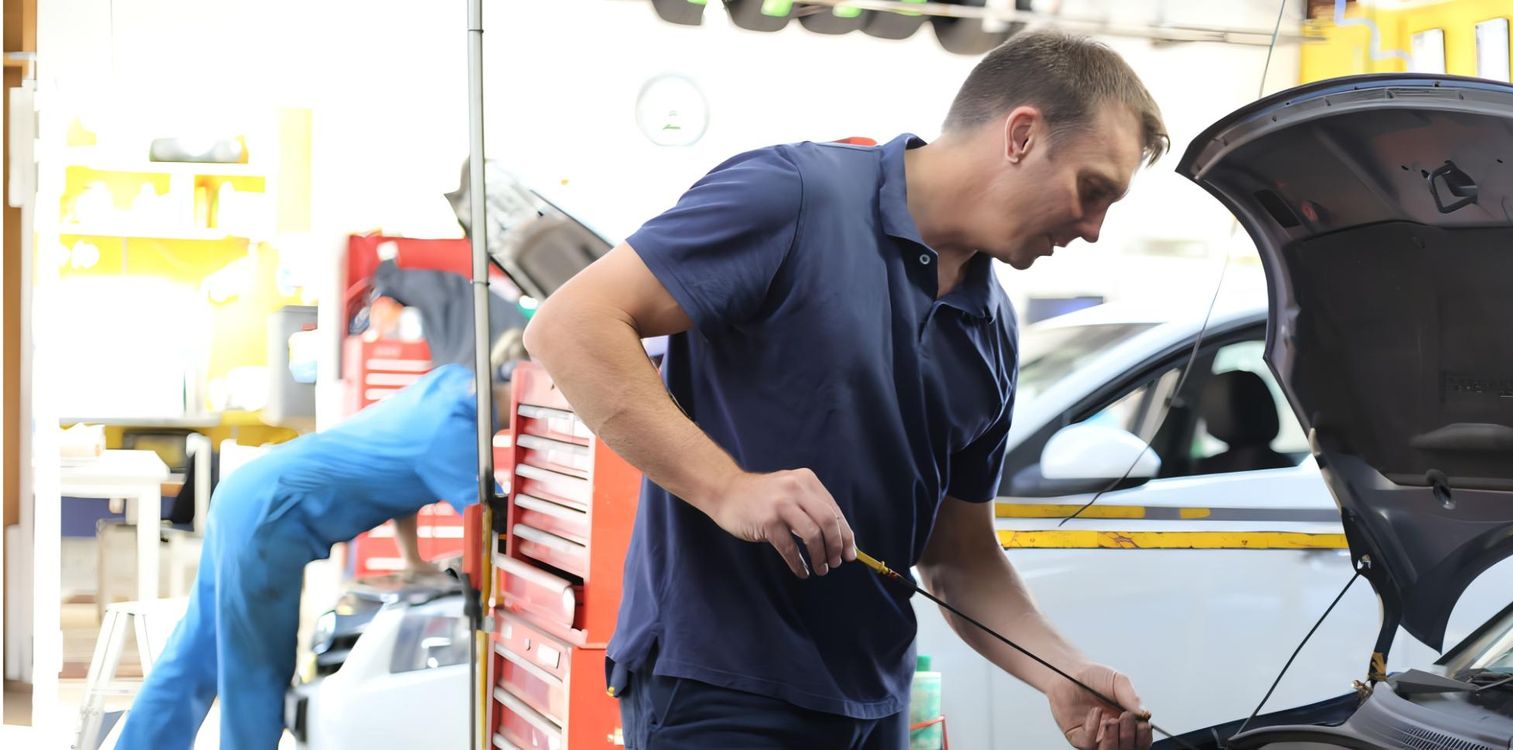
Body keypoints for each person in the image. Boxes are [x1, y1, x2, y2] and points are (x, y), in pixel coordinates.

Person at [524, 31, 1168, 750]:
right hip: (724, 690)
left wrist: (1063, 672)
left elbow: (958, 558)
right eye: (1092, 189)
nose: (1093, 230)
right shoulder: (793, 197)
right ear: (1021, 135)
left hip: (874, 706)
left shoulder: (992, 329)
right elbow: (571, 325)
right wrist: (729, 487)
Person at [115, 331, 526, 750]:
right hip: (270, 517)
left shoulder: (450, 384)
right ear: (517, 382)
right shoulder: (457, 432)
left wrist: (414, 560)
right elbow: (494, 522)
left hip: (246, 494)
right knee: (257, 669)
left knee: (197, 652)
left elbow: (406, 472)